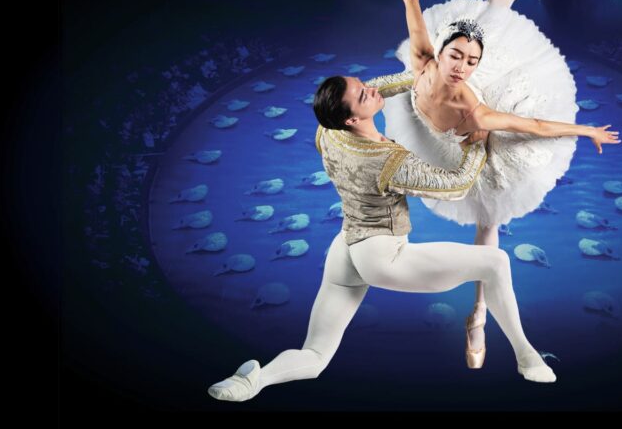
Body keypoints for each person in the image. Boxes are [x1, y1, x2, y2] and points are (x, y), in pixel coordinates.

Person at [380, 0, 620, 366]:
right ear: (442, 50)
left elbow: (531, 124)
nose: (462, 64)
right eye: (457, 55)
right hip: (431, 128)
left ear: (475, 67)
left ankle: (479, 317)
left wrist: (586, 131)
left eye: (470, 60)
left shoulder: (474, 106)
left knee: (488, 226)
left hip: (473, 146)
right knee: (495, 4)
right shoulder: (427, 60)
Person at [207, 75, 556, 402]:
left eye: (363, 84)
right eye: (363, 94)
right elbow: (456, 184)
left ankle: (252, 380)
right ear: (351, 119)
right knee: (496, 262)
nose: (371, 88)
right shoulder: (388, 162)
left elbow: (374, 88)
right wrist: (477, 142)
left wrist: (423, 77)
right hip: (384, 257)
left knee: (315, 356)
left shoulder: (327, 131)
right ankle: (526, 355)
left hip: (346, 247)